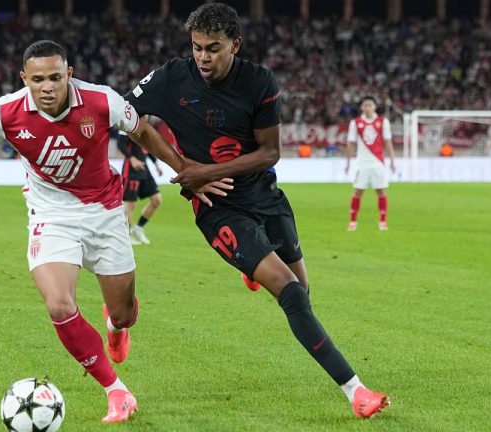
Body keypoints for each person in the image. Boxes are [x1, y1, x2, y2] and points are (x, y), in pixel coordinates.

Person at [0, 40, 225, 424]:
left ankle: (114, 325)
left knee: (124, 314)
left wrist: (185, 169)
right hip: (51, 215)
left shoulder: (103, 102)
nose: (47, 86)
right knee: (59, 304)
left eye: (55, 77)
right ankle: (116, 391)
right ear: (25, 79)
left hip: (105, 212)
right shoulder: (5, 113)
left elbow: (144, 134)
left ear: (68, 74)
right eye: (38, 79)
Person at [125, 3, 389, 419]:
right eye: (197, 47)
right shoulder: (171, 76)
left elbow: (270, 152)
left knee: (304, 293)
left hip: (265, 198)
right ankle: (356, 391)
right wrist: (184, 170)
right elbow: (128, 117)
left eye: (213, 48)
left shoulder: (259, 82)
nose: (203, 57)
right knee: (290, 292)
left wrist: (206, 169)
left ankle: (255, 266)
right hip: (217, 209)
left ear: (235, 44)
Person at [344, 96, 396, 231]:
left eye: (370, 105)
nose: (368, 108)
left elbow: (388, 142)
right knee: (357, 191)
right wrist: (348, 162)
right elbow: (350, 143)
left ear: (374, 106)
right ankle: (353, 221)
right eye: (365, 105)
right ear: (362, 107)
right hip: (362, 163)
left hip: (378, 162)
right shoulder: (355, 123)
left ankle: (383, 221)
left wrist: (392, 160)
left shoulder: (383, 122)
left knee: (381, 191)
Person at [117, 125, 164, 245]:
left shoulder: (145, 125)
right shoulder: (126, 124)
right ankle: (125, 235)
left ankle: (138, 228)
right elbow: (120, 144)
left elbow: (146, 148)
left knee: (156, 200)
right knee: (130, 204)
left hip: (144, 169)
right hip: (131, 169)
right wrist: (132, 159)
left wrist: (156, 164)